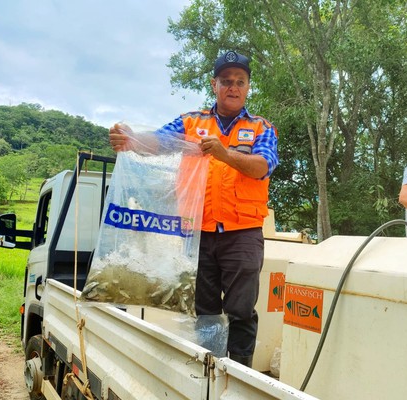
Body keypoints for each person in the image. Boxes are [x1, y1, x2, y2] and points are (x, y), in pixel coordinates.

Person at [109, 50, 279, 368]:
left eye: (240, 81)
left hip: (243, 234)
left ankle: (241, 376)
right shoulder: (191, 121)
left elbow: (262, 167)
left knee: (242, 310)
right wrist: (130, 140)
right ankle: (211, 369)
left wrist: (225, 154)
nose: (233, 87)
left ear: (247, 88)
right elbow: (158, 142)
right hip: (198, 232)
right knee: (206, 310)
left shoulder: (261, 128)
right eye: (226, 81)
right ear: (214, 85)